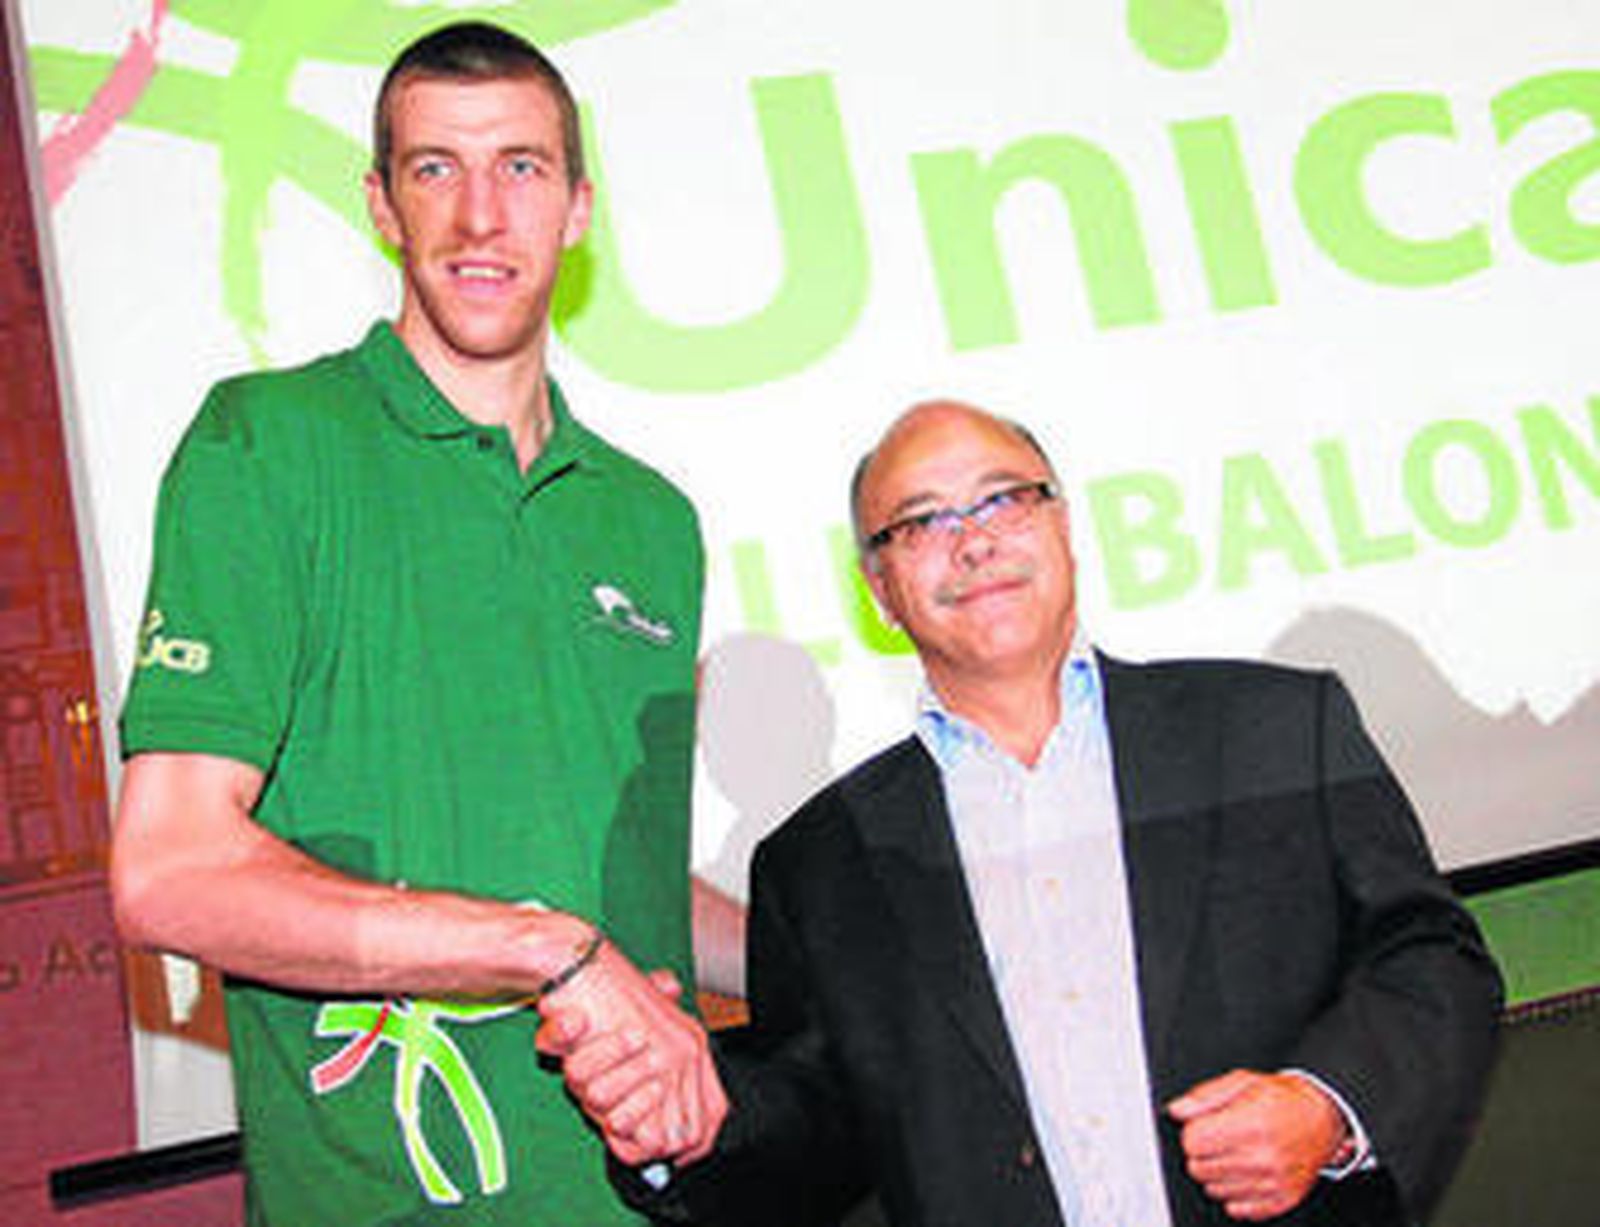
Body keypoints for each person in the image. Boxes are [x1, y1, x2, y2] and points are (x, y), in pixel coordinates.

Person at [551, 400, 1503, 1227]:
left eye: (1005, 498)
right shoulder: (819, 862)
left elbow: (1432, 956)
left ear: (1064, 526)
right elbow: (824, 1129)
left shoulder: (1276, 727)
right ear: (880, 589)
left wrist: (1325, 1104)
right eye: (920, 521)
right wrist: (688, 1122)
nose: (974, 540)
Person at [110, 22, 729, 1226]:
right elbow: (170, 870)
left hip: (646, 1202)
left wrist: (844, 949)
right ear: (383, 205)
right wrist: (548, 950)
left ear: (578, 209)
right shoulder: (268, 447)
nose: (481, 217)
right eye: (436, 168)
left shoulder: (652, 521)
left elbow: (622, 890)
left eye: (521, 168)